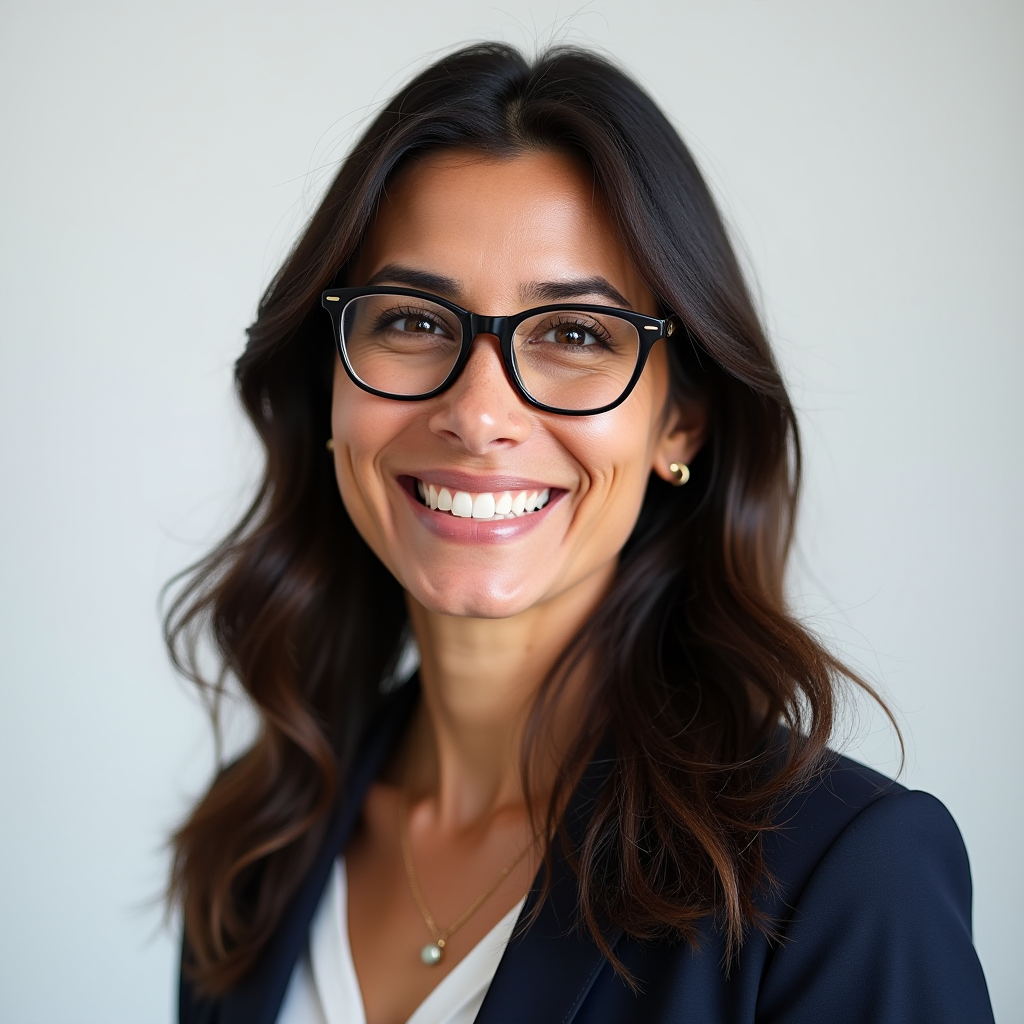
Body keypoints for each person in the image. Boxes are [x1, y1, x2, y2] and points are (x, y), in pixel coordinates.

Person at [167, 43, 994, 1024]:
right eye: (412, 320)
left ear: (678, 421)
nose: (478, 416)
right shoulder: (257, 839)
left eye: (573, 334)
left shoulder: (839, 877)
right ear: (331, 382)